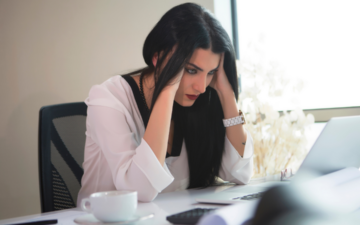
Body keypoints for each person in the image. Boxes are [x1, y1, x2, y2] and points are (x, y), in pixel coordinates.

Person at [77, 3, 254, 203]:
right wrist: (168, 87)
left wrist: (226, 93)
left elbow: (241, 174)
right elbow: (140, 191)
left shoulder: (202, 98)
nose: (202, 87)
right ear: (157, 58)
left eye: (211, 72)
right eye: (191, 70)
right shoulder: (109, 99)